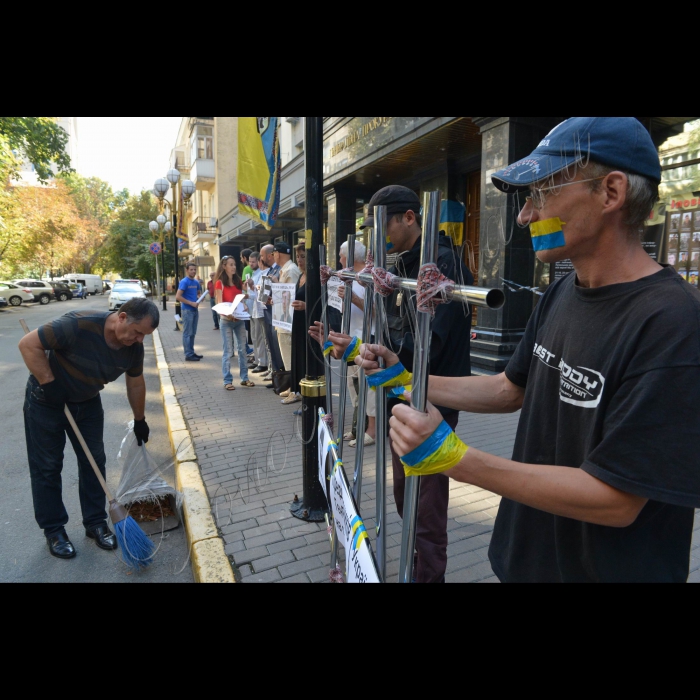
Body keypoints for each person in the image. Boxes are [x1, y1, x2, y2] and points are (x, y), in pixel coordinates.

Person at [367, 117, 700, 584]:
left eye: (541, 193)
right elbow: (509, 389)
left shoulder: (674, 323)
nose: (524, 215)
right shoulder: (564, 291)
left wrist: (460, 460)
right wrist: (407, 379)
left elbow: (617, 500)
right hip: (527, 560)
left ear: (611, 192)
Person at [315, 185, 474, 583]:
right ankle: (414, 565)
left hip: (431, 400)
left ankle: (427, 576)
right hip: (399, 393)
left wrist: (374, 349)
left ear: (409, 217)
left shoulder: (442, 262)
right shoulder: (401, 262)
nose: (377, 237)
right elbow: (387, 329)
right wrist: (355, 348)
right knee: (407, 499)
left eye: (382, 224)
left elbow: (430, 343)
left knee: (427, 507)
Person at [19, 298, 159, 560]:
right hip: (46, 401)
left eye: (145, 336)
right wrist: (49, 384)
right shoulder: (77, 324)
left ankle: (95, 523)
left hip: (86, 402)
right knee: (47, 466)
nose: (140, 339)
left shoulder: (132, 349)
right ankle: (54, 530)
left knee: (94, 461)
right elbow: (28, 344)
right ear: (122, 317)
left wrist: (140, 419)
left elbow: (136, 383)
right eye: (138, 332)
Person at [338, 239, 376, 448]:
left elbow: (378, 312)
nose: (339, 260)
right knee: (353, 385)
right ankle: (357, 425)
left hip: (367, 338)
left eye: (341, 256)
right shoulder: (347, 277)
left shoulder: (370, 277)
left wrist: (353, 298)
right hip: (351, 339)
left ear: (350, 257)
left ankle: (372, 429)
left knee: (367, 386)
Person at [215, 256, 254, 391]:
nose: (234, 267)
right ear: (224, 266)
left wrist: (244, 305)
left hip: (239, 320)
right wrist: (228, 313)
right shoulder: (220, 283)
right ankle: (227, 380)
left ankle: (245, 378)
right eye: (231, 265)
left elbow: (240, 298)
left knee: (243, 349)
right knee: (228, 351)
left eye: (235, 264)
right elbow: (219, 303)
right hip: (226, 320)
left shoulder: (238, 281)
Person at [273, 241, 301, 375]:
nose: (273, 256)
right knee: (286, 356)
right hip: (282, 320)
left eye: (273, 254)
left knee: (289, 357)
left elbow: (292, 297)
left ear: (278, 254)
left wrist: (276, 285)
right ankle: (291, 386)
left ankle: (293, 388)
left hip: (287, 322)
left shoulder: (291, 270)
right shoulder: (284, 269)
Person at [286, 243, 308, 407]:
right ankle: (299, 391)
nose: (300, 260)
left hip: (309, 324)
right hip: (298, 322)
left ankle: (310, 399)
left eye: (303, 256)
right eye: (298, 257)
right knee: (298, 357)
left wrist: (306, 306)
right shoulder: (301, 277)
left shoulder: (314, 278)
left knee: (307, 360)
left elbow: (324, 303)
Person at [259, 245, 284, 384]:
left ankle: (280, 378)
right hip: (268, 313)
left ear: (270, 255)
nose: (261, 259)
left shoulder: (279, 270)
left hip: (276, 315)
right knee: (272, 347)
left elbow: (284, 291)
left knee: (277, 348)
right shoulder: (271, 270)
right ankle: (276, 377)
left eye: (262, 256)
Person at [176, 262, 203, 362]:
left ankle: (191, 352)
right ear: (187, 270)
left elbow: (198, 293)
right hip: (187, 310)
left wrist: (200, 298)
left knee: (193, 333)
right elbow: (178, 296)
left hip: (195, 310)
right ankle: (188, 354)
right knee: (187, 333)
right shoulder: (184, 281)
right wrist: (191, 303)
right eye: (191, 269)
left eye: (194, 269)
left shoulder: (196, 282)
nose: (193, 271)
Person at [248, 252, 269, 375]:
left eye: (255, 261)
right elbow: (257, 293)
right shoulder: (258, 274)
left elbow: (263, 295)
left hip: (262, 310)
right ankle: (259, 361)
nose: (252, 264)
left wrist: (253, 289)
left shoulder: (265, 274)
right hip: (255, 309)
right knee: (256, 337)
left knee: (263, 339)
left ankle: (263, 363)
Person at [240, 249, 255, 356]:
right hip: (254, 300)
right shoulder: (255, 270)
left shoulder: (246, 269)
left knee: (251, 328)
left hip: (249, 299)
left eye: (241, 257)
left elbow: (243, 286)